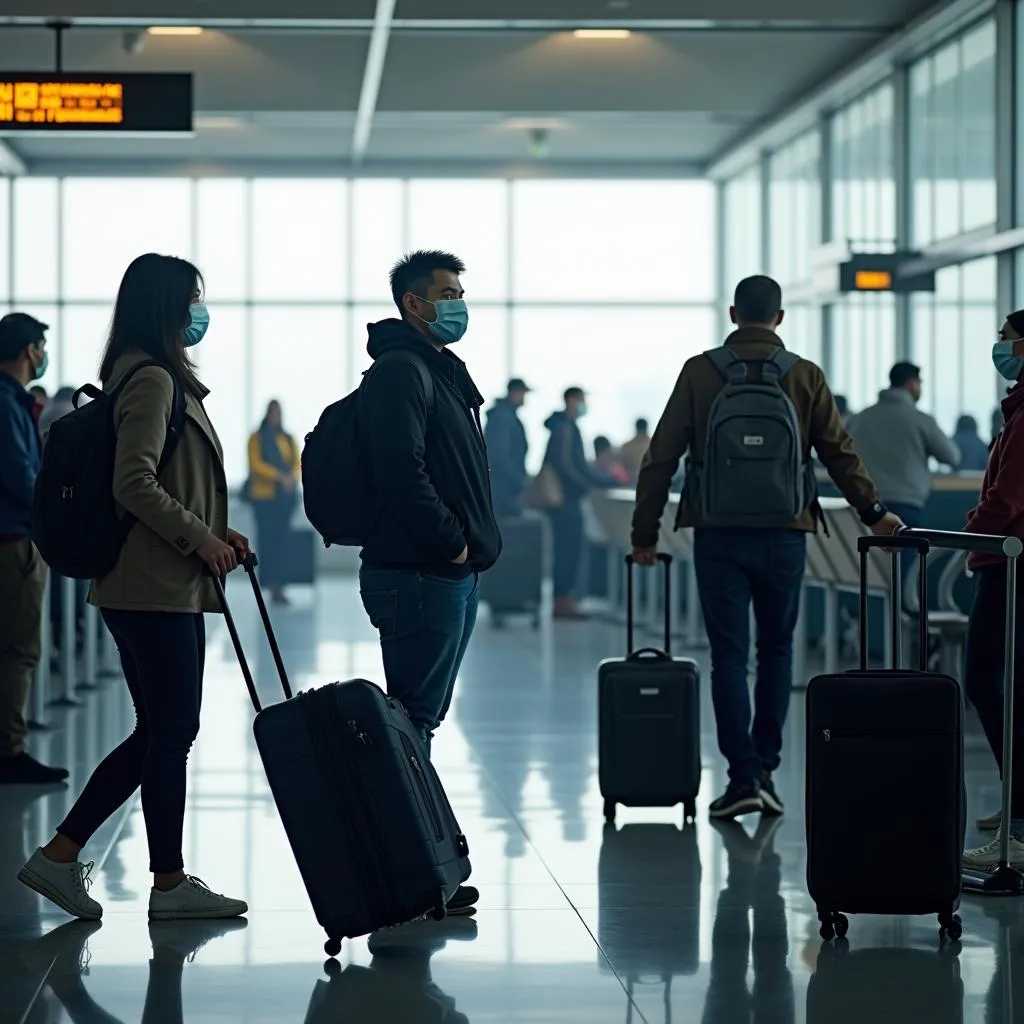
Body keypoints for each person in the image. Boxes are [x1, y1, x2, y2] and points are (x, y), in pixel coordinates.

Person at [17, 253, 250, 921]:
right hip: (154, 584)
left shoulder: (146, 377)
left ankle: (65, 857)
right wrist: (198, 539)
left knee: (162, 729)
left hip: (153, 580)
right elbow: (134, 482)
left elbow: (162, 481)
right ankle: (160, 880)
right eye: (192, 300)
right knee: (171, 729)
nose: (199, 313)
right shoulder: (151, 381)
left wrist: (217, 531)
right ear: (166, 308)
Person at [631, 275, 902, 820]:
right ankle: (769, 771)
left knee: (727, 657)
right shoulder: (803, 374)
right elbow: (838, 454)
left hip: (717, 534)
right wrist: (874, 514)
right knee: (776, 653)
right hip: (786, 533)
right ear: (779, 318)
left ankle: (742, 777)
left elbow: (660, 458)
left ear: (734, 313)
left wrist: (644, 534)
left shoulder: (699, 372)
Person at [356, 250, 501, 917]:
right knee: (412, 723)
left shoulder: (437, 372)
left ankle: (414, 868)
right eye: (447, 292)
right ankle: (406, 871)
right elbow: (399, 470)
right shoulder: (402, 372)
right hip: (421, 572)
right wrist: (453, 541)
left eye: (460, 292)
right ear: (414, 304)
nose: (458, 303)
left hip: (446, 572)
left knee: (418, 723)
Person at [959, 310, 1024, 869]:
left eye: (1006, 339)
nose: (999, 347)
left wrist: (968, 532)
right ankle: (1018, 803)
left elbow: (1007, 500)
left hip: (1011, 566)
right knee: (1002, 681)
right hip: (1004, 562)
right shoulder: (1017, 409)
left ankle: (1021, 824)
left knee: (987, 676)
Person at [0, 313, 67, 785]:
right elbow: (21, 475)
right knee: (18, 650)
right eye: (41, 346)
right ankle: (9, 750)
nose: (43, 355)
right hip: (12, 541)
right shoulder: (6, 404)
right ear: (29, 351)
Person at [846, 361, 960, 546]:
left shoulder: (859, 418)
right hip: (906, 503)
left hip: (865, 504)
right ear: (912, 384)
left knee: (867, 568)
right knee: (901, 568)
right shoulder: (921, 420)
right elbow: (952, 456)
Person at [542, 387, 616, 620]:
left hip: (567, 498)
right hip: (566, 499)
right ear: (572, 400)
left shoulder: (563, 427)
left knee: (568, 548)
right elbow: (569, 467)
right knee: (568, 549)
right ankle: (562, 601)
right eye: (582, 399)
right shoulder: (565, 428)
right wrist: (590, 483)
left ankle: (564, 599)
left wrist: (598, 480)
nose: (584, 404)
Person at [246, 400, 300, 605]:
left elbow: (296, 463)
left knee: (282, 543)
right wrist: (278, 476)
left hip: (284, 500)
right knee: (267, 542)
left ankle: (280, 585)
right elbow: (256, 464)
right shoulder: (257, 437)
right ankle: (268, 584)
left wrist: (291, 478)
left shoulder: (287, 437)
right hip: (264, 499)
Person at [484, 378, 531, 518]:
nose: (524, 398)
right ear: (514, 393)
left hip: (505, 486)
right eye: (522, 393)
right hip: (503, 488)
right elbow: (499, 455)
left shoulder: (506, 416)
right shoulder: (503, 417)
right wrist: (516, 481)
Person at [618, 417, 651, 485]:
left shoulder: (626, 447)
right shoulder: (654, 445)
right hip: (648, 481)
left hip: (630, 482)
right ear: (646, 428)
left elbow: (621, 466)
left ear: (636, 428)